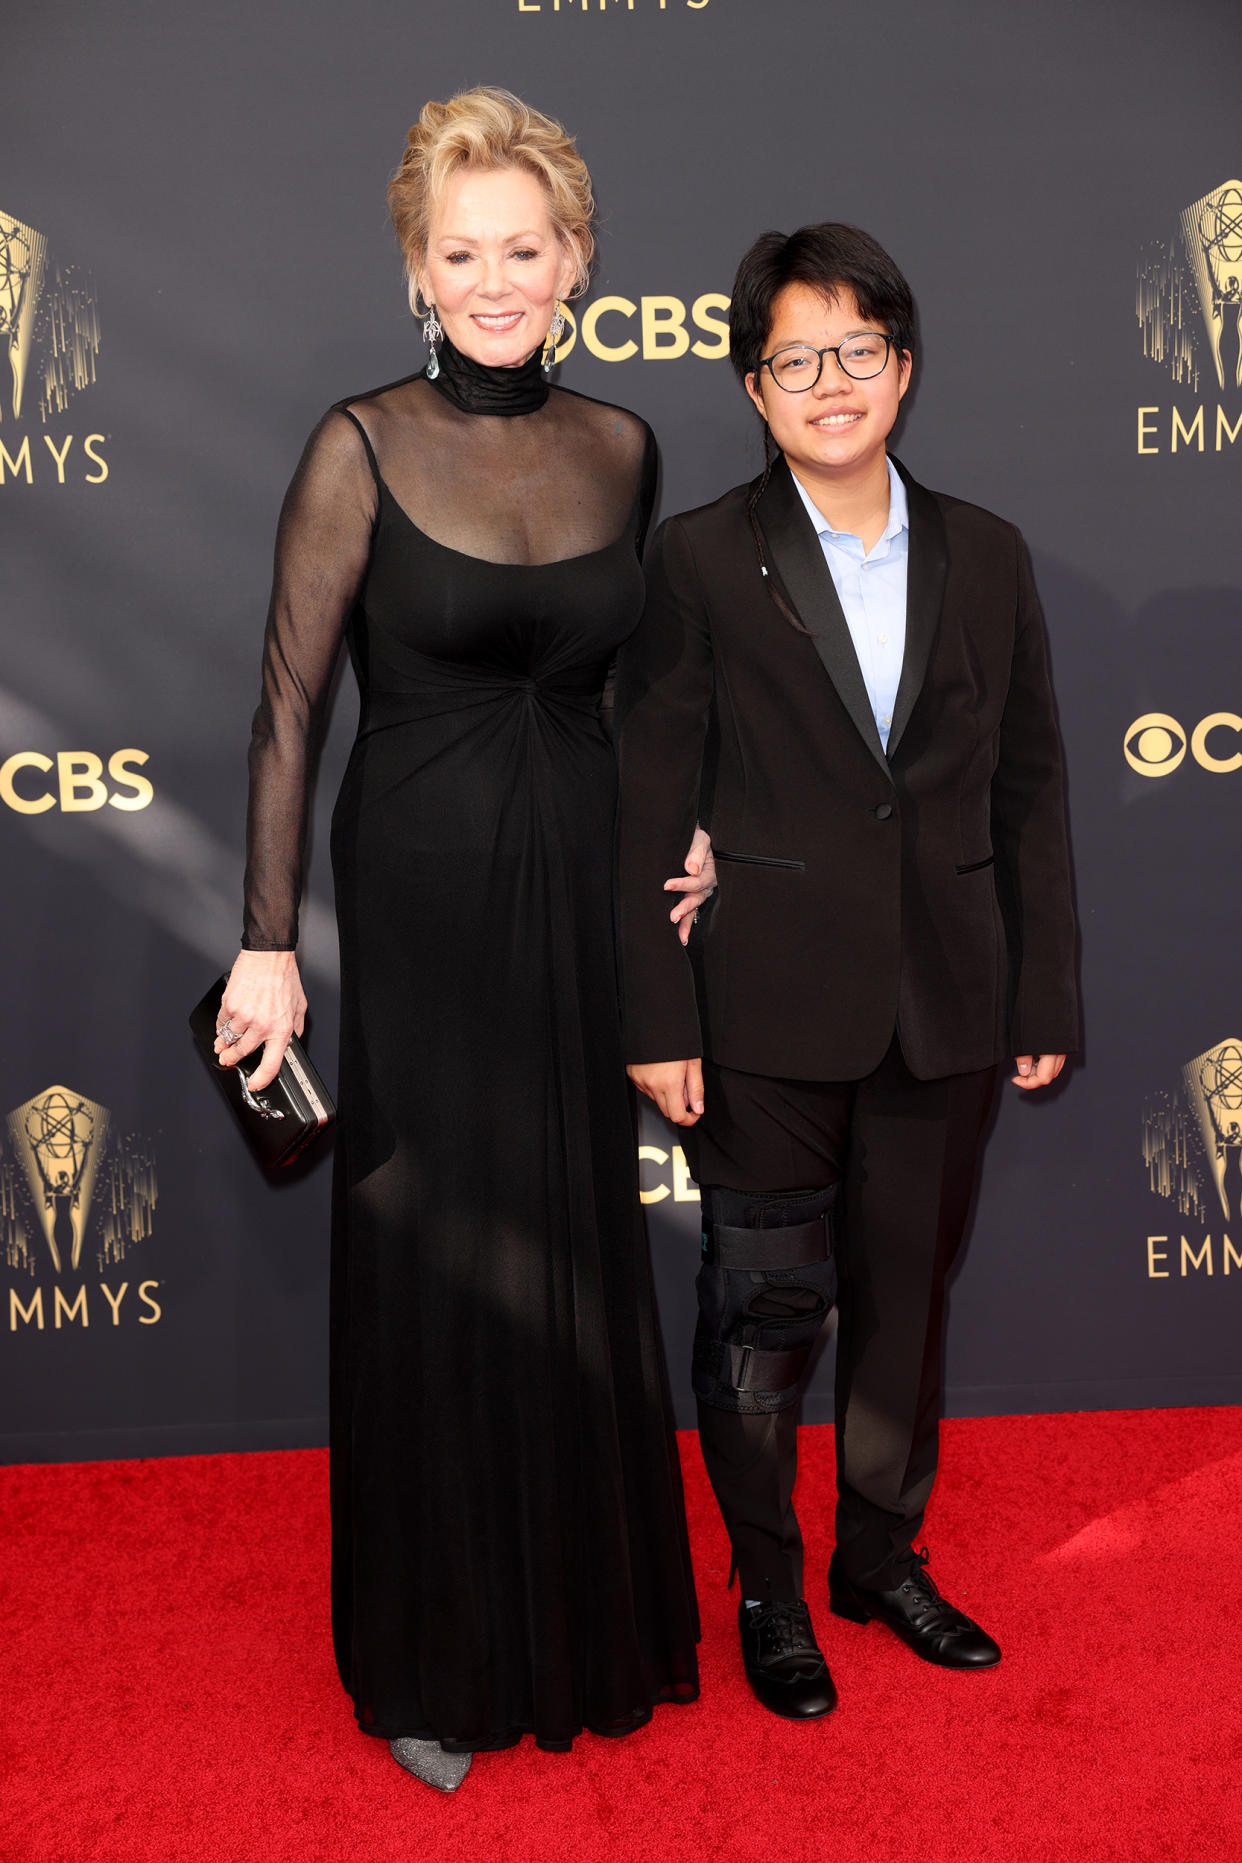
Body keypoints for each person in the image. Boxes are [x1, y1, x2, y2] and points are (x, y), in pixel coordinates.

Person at [216, 87, 708, 1790]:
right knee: (437, 1246)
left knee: (570, 1225)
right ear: (417, 271)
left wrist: (682, 838)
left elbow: (634, 691)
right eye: (459, 252)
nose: (493, 279)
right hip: (420, 893)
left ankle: (586, 1617)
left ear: (574, 261)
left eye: (524, 248)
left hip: (580, 880)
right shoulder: (356, 444)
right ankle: (431, 1657)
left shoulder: (625, 446)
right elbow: (287, 704)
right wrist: (267, 942)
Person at [617, 223, 1079, 1721]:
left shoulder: (989, 553)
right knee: (761, 1317)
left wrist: (1041, 994)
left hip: (944, 1001)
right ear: (753, 387)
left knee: (905, 1305)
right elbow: (648, 796)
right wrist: (654, 1009)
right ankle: (764, 1585)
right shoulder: (696, 556)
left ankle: (877, 1558)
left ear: (904, 364)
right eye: (795, 358)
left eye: (857, 351)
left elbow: (1027, 790)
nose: (831, 382)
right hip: (758, 1009)